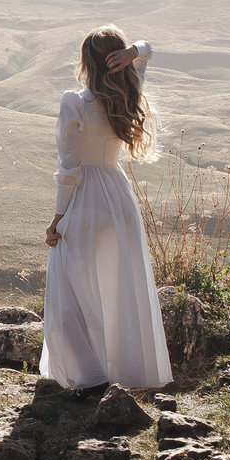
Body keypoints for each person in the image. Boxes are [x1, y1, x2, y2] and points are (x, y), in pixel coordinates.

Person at [40, 27, 172, 394]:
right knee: (119, 287)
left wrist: (57, 218)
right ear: (115, 60)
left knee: (70, 287)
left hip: (84, 199)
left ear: (86, 61)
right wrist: (133, 52)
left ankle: (88, 375)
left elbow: (68, 169)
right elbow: (148, 49)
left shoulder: (75, 102)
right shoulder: (128, 92)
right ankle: (124, 370)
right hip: (118, 197)